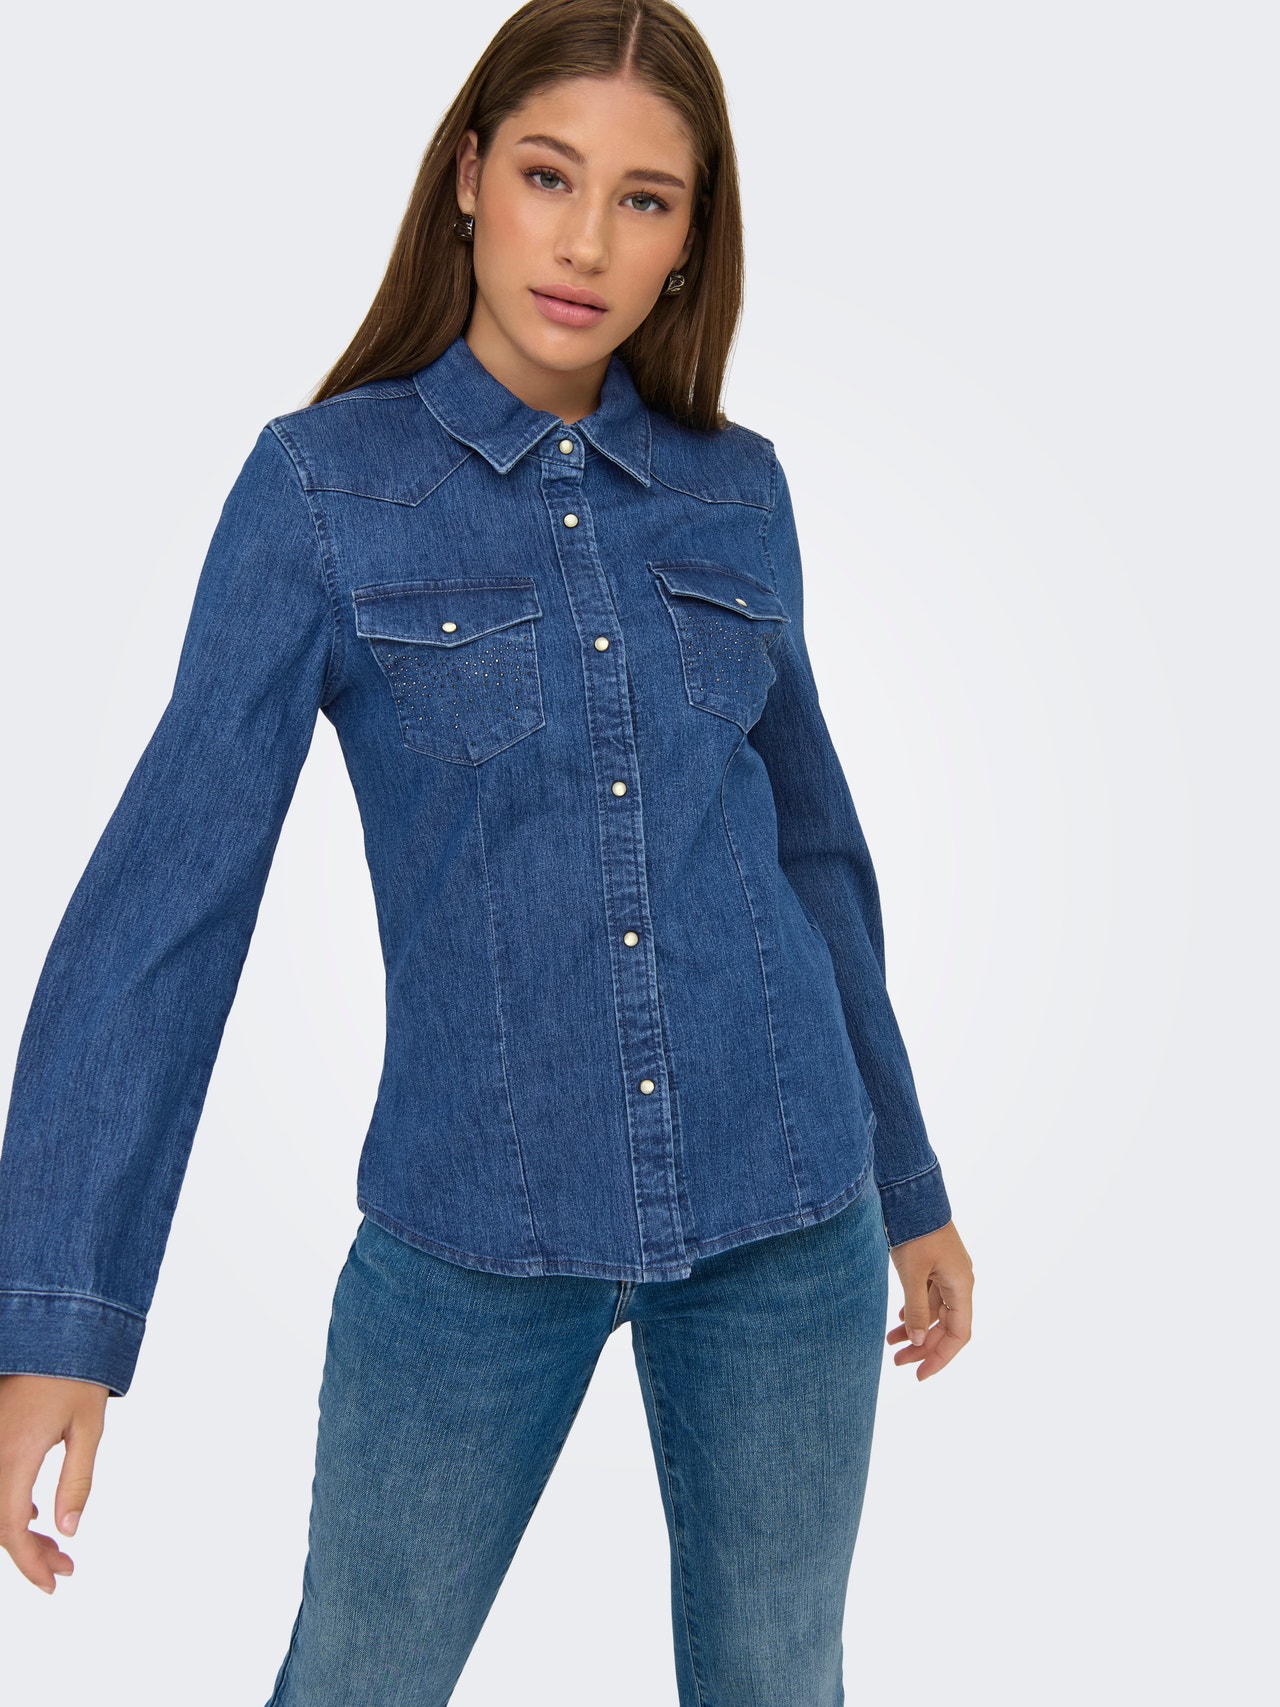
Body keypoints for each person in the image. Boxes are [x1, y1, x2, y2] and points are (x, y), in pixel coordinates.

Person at [0, 0, 974, 1698]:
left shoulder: (737, 491)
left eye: (645, 199)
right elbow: (168, 902)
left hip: (786, 1208)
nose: (586, 241)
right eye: (547, 174)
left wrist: (910, 1183)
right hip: (472, 1234)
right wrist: (58, 1319)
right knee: (358, 1676)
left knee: (780, 1677)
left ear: (693, 239)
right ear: (468, 176)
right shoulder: (322, 492)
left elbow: (815, 858)